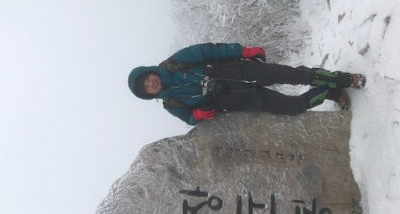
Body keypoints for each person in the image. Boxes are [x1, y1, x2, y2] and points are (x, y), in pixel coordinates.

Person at [128, 43, 365, 125]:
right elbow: (189, 118)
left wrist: (243, 51)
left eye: (147, 79)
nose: (151, 83)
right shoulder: (171, 104)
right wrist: (196, 115)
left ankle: (344, 79)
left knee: (297, 76)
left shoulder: (176, 62)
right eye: (147, 88)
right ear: (149, 95)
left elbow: (209, 51)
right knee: (295, 107)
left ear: (150, 72)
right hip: (243, 99)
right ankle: (331, 93)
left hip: (244, 70)